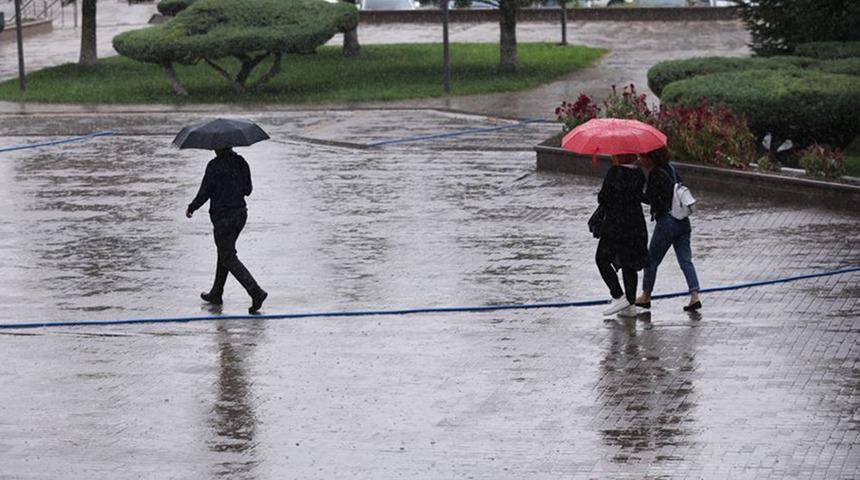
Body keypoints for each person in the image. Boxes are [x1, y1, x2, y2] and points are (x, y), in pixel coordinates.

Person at [186, 147, 268, 314]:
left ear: (217, 148)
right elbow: (248, 190)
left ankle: (256, 292)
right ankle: (217, 292)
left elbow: (205, 192)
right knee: (224, 252)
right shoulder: (241, 162)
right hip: (240, 215)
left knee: (228, 256)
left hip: (223, 218)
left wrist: (192, 207)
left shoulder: (214, 166)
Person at [635, 148, 701, 311]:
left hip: (667, 223)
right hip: (683, 222)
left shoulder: (655, 174)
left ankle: (646, 296)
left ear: (650, 158)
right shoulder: (671, 169)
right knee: (686, 260)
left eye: (641, 156)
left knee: (651, 261)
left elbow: (651, 199)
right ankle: (695, 296)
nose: (639, 159)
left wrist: (636, 194)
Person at [595, 153, 649, 317]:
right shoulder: (638, 173)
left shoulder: (615, 172)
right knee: (629, 262)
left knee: (602, 258)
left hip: (616, 225)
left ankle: (618, 295)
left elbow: (604, 198)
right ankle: (630, 304)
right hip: (635, 224)